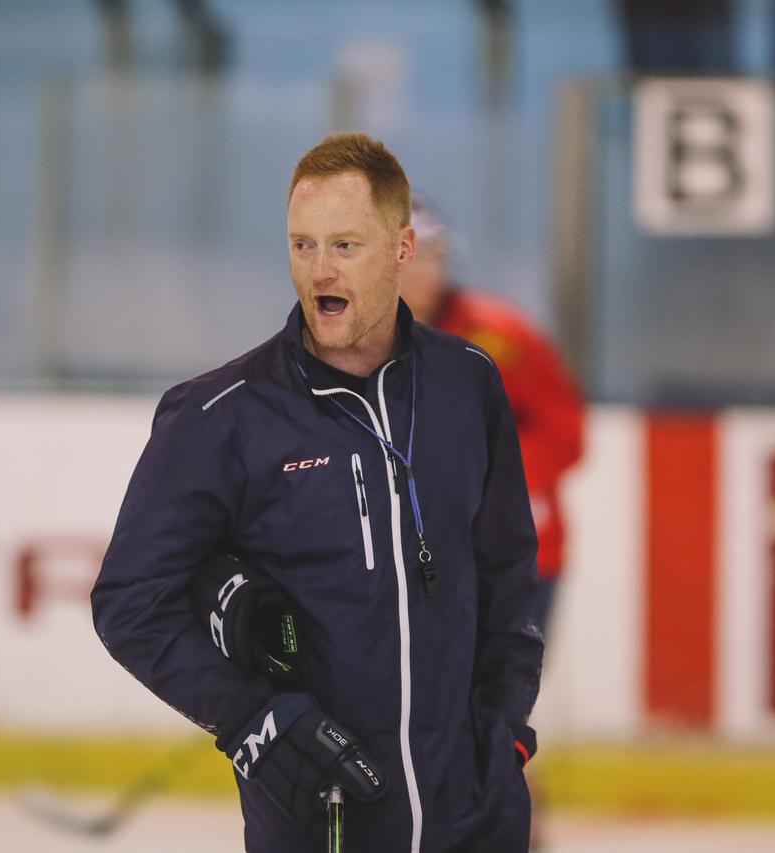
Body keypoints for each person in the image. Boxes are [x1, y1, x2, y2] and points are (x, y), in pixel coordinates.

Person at [91, 132, 546, 853]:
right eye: (302, 245)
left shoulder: (468, 383)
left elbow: (508, 571)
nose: (319, 270)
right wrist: (250, 721)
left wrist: (504, 736)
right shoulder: (220, 416)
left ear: (401, 249)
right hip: (323, 822)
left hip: (474, 818)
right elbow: (129, 600)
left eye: (344, 245)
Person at [399, 198, 584, 851]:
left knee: (493, 704)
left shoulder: (501, 335)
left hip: (522, 562)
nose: (419, 272)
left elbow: (567, 431)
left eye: (430, 256)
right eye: (406, 256)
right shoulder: (364, 346)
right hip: (429, 564)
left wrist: (488, 478)